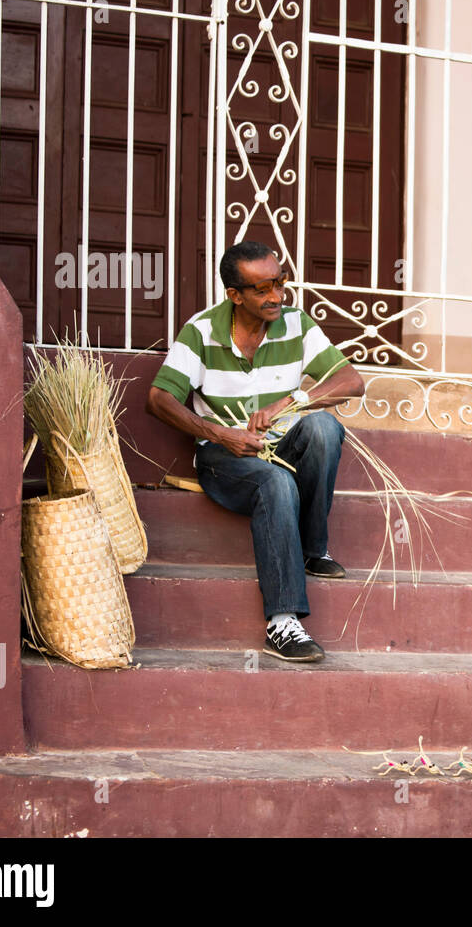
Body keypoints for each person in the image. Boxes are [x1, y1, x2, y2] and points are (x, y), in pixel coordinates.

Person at [146, 241, 365, 662]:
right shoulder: (202, 330)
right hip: (223, 457)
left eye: (280, 282)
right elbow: (158, 400)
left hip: (279, 440)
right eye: (263, 289)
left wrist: (290, 401)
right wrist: (222, 434)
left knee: (323, 427)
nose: (276, 297)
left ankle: (312, 549)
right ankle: (282, 623)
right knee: (275, 481)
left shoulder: (295, 323)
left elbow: (351, 382)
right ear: (235, 295)